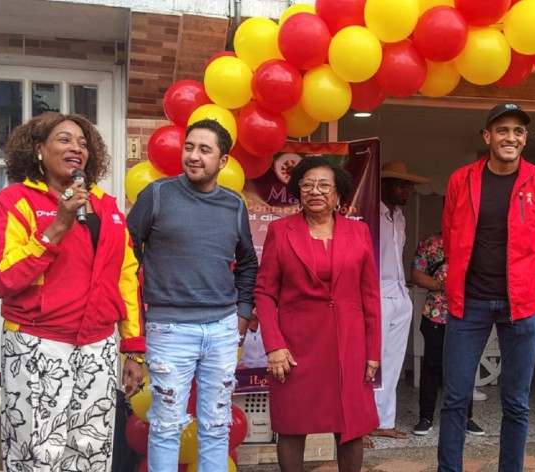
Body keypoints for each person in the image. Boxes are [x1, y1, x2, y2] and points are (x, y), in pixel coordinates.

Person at [0, 112, 144, 471]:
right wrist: (57, 226)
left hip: (98, 346)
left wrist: (133, 348)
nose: (77, 148)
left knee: (91, 452)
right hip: (38, 345)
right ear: (38, 150)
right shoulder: (12, 203)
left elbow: (127, 277)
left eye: (84, 143)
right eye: (65, 139)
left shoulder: (106, 207)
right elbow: (1, 279)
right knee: (38, 453)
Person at [439, 103, 535, 472]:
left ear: (525, 139)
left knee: (516, 402)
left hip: (521, 307)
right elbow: (450, 237)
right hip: (469, 304)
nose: (511, 137)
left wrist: (531, 285)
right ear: (487, 136)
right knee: (456, 398)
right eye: (503, 130)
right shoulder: (461, 180)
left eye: (518, 131)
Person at [126, 119, 257, 472]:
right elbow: (125, 255)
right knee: (166, 426)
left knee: (217, 426)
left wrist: (242, 312)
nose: (194, 156)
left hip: (222, 331)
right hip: (169, 330)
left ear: (223, 161)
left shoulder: (234, 204)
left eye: (204, 149)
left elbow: (247, 262)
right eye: (189, 147)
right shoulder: (156, 195)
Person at [255, 156, 381, 471]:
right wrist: (274, 345)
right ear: (299, 192)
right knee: (292, 425)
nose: (316, 191)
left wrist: (373, 351)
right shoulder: (281, 231)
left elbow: (370, 296)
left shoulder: (359, 232)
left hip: (348, 345)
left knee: (350, 426)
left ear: (338, 194)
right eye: (308, 185)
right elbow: (265, 292)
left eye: (325, 185)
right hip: (295, 347)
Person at [372, 161, 430, 443]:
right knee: (370, 360)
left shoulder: (401, 217)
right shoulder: (369, 214)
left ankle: (384, 421)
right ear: (383, 185)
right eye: (401, 184)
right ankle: (361, 423)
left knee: (393, 363)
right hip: (375, 293)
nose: (406, 189)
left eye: (409, 185)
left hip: (399, 293)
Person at [411, 230, 484, 437]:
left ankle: (466, 417)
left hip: (467, 315)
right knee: (432, 366)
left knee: (465, 367)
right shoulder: (430, 243)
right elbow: (416, 274)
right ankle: (425, 418)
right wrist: (444, 285)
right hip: (435, 313)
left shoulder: (475, 240)